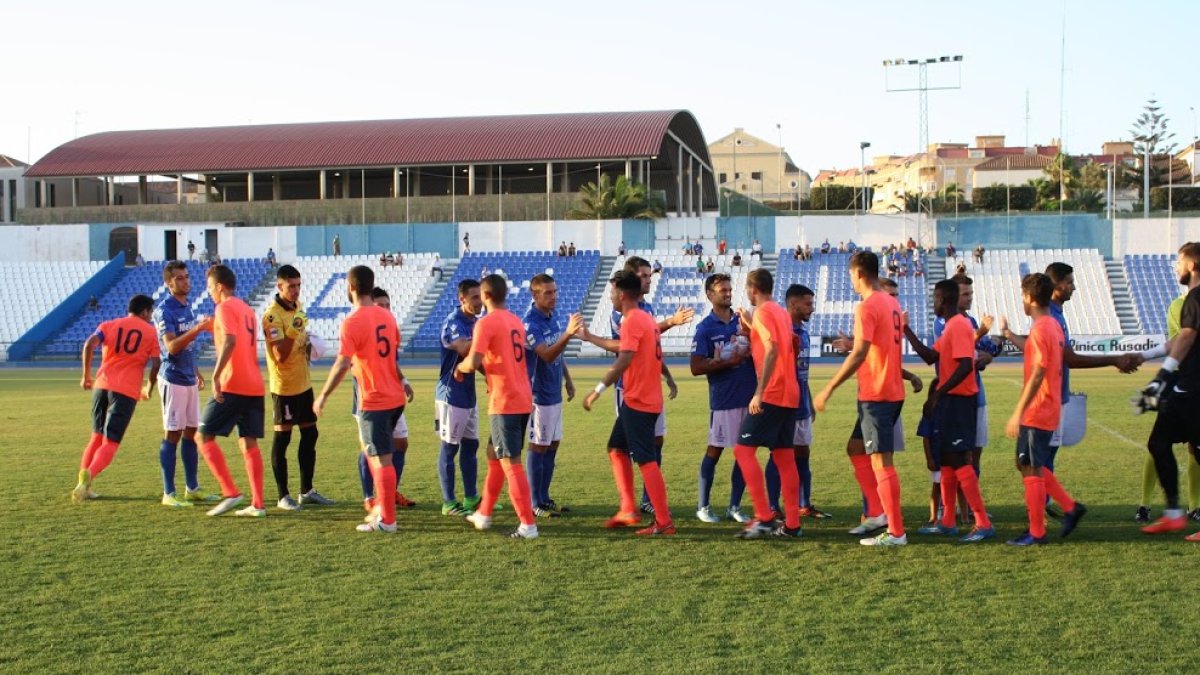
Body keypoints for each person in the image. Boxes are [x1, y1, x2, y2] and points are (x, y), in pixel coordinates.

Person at [1000, 261, 1138, 517]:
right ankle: (1057, 508)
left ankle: (1043, 518)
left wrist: (1113, 359)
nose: (1073, 287)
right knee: (1030, 462)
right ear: (1056, 286)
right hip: (1051, 401)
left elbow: (1062, 359)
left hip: (1044, 403)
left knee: (1034, 463)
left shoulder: (1049, 320)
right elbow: (1041, 350)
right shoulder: (1051, 320)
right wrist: (1008, 334)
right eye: (1070, 282)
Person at [578, 256, 688, 514]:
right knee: (617, 448)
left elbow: (624, 357)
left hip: (639, 398)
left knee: (646, 459)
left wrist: (596, 390)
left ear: (623, 293)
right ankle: (629, 507)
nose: (610, 297)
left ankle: (661, 519)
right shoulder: (644, 318)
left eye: (613, 291)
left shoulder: (635, 319)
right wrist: (668, 377)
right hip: (638, 397)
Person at [814, 251, 907, 546]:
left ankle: (895, 531)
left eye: (851, 275)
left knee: (882, 462)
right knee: (856, 448)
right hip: (889, 391)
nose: (850, 280)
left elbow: (860, 354)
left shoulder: (867, 306)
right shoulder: (891, 303)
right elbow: (878, 346)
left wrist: (829, 387)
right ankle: (879, 513)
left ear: (859, 274)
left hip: (877, 394)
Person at [314, 265, 407, 533]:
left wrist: (323, 396)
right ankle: (382, 510)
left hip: (375, 398)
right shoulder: (387, 317)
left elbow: (342, 363)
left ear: (351, 287)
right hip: (393, 397)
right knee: (380, 454)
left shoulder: (352, 321)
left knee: (380, 458)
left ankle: (387, 520)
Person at [904, 280, 995, 542]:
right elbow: (931, 357)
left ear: (944, 300)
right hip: (949, 402)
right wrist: (906, 329)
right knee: (945, 460)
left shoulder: (960, 326)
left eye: (935, 298)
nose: (933, 303)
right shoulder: (952, 327)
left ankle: (982, 522)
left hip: (959, 402)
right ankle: (947, 521)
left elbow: (966, 365)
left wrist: (938, 395)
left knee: (959, 461)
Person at [1003, 273, 1085, 545]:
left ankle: (1037, 531)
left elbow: (1038, 372)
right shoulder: (1053, 325)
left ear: (1028, 297)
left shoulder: (1040, 329)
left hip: (1038, 409)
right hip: (1049, 406)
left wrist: (1018, 411)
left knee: (1030, 466)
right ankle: (1070, 507)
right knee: (1027, 463)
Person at [458, 274, 540, 539]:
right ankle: (484, 513)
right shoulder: (514, 320)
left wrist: (460, 368)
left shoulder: (486, 323)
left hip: (505, 400)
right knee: (495, 455)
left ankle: (527, 525)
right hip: (521, 396)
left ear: (485, 295)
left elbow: (472, 361)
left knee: (510, 462)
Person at [729, 269, 804, 538]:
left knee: (742, 450)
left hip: (772, 393)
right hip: (790, 393)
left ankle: (763, 517)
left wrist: (759, 392)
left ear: (752, 289)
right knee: (785, 458)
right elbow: (789, 346)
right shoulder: (781, 312)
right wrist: (751, 327)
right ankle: (793, 524)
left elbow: (772, 348)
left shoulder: (763, 313)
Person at [1136, 242, 1200, 538]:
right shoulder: (1191, 300)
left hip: (1194, 388)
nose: (1176, 268)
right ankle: (1174, 513)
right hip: (1187, 387)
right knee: (1159, 442)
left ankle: (1175, 512)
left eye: (1179, 262)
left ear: (1192, 266)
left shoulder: (1197, 298)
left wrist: (1162, 374)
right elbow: (1179, 339)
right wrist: (1144, 356)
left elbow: (1186, 337)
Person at [71, 294, 162, 503]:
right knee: (111, 442)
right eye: (150, 313)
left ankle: (82, 483)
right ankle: (88, 477)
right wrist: (149, 387)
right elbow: (156, 363)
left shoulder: (109, 324)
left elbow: (89, 345)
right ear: (145, 312)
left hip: (101, 385)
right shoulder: (150, 332)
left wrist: (86, 376)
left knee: (96, 436)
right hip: (126, 391)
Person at [195, 264, 267, 518]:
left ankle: (231, 492)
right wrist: (212, 326)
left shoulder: (224, 307)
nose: (209, 293)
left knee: (203, 436)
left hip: (232, 383)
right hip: (254, 384)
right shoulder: (247, 310)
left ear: (220, 287)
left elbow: (231, 340)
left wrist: (215, 376)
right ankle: (257, 504)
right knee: (249, 443)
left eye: (210, 288)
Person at [262, 264, 332, 511]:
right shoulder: (272, 316)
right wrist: (294, 329)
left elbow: (299, 336)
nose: (296, 290)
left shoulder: (298, 308)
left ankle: (306, 491)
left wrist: (310, 344)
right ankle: (283, 496)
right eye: (291, 286)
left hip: (304, 383)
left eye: (298, 285)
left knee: (310, 434)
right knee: (283, 439)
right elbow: (280, 354)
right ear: (279, 287)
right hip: (284, 387)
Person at [690, 273, 753, 524]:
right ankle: (703, 506)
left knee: (744, 453)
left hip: (748, 397)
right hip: (724, 399)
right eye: (721, 290)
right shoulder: (705, 328)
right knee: (714, 451)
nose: (727, 293)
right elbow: (696, 367)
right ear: (710, 295)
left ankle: (734, 506)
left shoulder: (742, 322)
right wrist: (727, 362)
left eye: (729, 289)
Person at [153, 261, 216, 507]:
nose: (186, 281)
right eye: (179, 278)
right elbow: (171, 346)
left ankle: (192, 488)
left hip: (188, 376)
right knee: (173, 433)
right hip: (173, 379)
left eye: (187, 277)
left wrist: (196, 370)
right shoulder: (164, 310)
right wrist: (199, 328)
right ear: (169, 283)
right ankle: (169, 493)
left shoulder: (187, 306)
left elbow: (186, 347)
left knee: (191, 432)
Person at [766, 284, 831, 520]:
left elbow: (801, 373)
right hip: (784, 404)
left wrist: (809, 400)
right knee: (779, 454)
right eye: (808, 304)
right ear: (793, 304)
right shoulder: (781, 331)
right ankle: (772, 506)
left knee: (803, 453)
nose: (812, 309)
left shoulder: (802, 332)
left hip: (802, 404)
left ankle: (804, 504)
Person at [523, 274, 584, 517]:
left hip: (554, 391)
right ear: (534, 295)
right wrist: (569, 334)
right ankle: (534, 502)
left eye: (555, 292)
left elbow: (557, 352)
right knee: (538, 446)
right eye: (548, 293)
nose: (554, 296)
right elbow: (546, 354)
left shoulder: (553, 317)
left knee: (552, 445)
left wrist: (567, 379)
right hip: (539, 395)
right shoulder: (530, 323)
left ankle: (545, 497)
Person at [355, 288, 417, 513]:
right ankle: (370, 497)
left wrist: (403, 381)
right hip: (369, 398)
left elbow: (390, 361)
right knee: (370, 449)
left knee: (400, 443)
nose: (385, 309)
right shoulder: (361, 325)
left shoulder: (389, 326)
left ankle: (389, 492)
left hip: (391, 397)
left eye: (388, 305)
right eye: (380, 305)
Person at [435, 279, 484, 516]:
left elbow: (477, 359)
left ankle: (471, 497)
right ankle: (448, 502)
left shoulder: (476, 323)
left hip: (468, 395)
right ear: (461, 299)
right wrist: (489, 336)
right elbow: (465, 349)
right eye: (474, 297)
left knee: (471, 445)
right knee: (449, 447)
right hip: (450, 394)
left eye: (481, 297)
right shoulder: (453, 323)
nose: (479, 302)